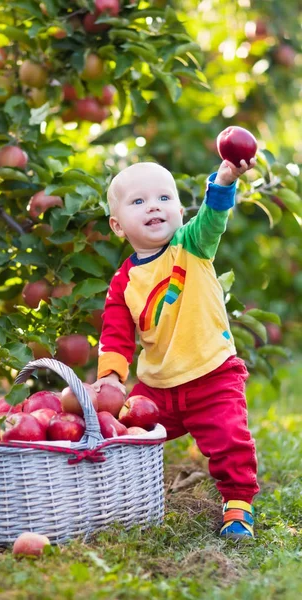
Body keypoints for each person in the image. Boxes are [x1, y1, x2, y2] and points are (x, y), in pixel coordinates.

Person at [92, 158, 259, 540]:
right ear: (117, 226)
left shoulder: (192, 244)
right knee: (123, 432)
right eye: (138, 202)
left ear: (179, 211)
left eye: (164, 197)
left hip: (212, 374)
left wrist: (225, 179)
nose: (153, 206)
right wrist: (111, 379)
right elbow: (115, 333)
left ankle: (237, 506)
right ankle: (119, 498)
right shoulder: (124, 281)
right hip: (158, 388)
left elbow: (214, 215)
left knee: (230, 440)